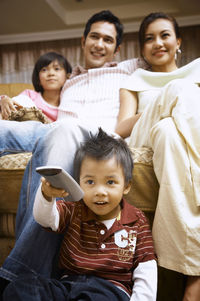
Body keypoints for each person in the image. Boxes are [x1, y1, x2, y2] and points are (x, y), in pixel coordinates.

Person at [0, 10, 147, 294]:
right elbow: (34, 100)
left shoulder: (130, 69)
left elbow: (160, 55)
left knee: (65, 129)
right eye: (94, 36)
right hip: (57, 132)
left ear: (117, 48)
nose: (99, 44)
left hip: (98, 138)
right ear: (83, 40)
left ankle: (18, 274)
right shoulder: (68, 78)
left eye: (108, 40)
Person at [3, 129, 157, 301]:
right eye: (90, 182)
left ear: (126, 186)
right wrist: (47, 195)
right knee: (21, 287)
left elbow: (146, 268)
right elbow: (45, 218)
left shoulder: (137, 220)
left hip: (109, 289)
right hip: (68, 285)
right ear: (79, 183)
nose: (100, 192)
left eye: (110, 182)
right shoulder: (75, 209)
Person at [116, 12, 200, 301]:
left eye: (164, 35)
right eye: (149, 38)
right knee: (175, 94)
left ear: (178, 41)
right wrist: (164, 101)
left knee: (168, 131)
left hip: (174, 141)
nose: (157, 43)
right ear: (142, 49)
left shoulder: (198, 70)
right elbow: (121, 127)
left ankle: (193, 278)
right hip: (143, 137)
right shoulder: (135, 80)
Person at [0, 51, 71, 122]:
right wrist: (4, 100)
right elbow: (13, 105)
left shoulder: (70, 101)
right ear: (38, 78)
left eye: (57, 69)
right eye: (44, 70)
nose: (51, 73)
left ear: (67, 76)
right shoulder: (29, 95)